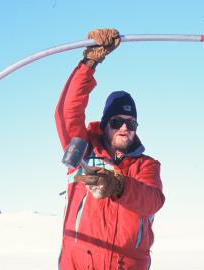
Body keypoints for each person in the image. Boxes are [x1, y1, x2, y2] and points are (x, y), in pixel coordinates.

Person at [55, 29, 165, 270]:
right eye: (117, 122)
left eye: (131, 122)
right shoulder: (84, 151)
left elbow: (152, 200)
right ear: (105, 125)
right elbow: (67, 113)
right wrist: (89, 63)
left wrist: (119, 186)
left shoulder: (147, 166)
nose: (125, 127)